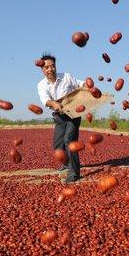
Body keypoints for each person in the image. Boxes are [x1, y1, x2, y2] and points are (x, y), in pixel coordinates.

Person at [37, 54, 85, 183]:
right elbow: (45, 100)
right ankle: (66, 164)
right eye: (47, 67)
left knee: (69, 141)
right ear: (42, 69)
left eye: (52, 66)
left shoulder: (66, 77)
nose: (50, 69)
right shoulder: (42, 85)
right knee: (58, 145)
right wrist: (54, 104)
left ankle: (74, 172)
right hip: (59, 116)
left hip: (73, 114)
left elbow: (81, 84)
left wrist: (88, 85)